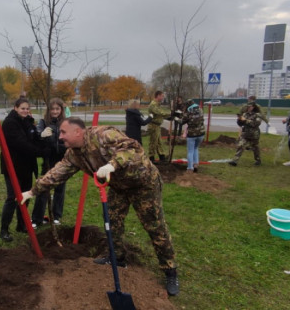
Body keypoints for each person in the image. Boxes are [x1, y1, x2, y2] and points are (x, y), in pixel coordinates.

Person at [20, 117, 180, 296]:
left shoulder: (104, 135)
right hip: (119, 187)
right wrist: (32, 192)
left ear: (77, 132)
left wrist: (112, 164)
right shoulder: (74, 154)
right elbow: (57, 173)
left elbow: (133, 149)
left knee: (154, 226)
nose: (60, 137)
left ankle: (170, 270)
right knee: (112, 222)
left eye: (64, 133)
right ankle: (117, 258)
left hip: (143, 183)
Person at [0, 97, 47, 242]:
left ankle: (21, 224)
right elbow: (22, 144)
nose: (25, 111)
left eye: (27, 108)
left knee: (25, 196)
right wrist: (40, 152)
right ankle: (4, 230)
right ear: (15, 108)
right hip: (13, 166)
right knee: (12, 198)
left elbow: (33, 138)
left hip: (27, 166)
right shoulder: (10, 123)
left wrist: (43, 139)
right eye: (22, 108)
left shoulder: (28, 121)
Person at [31, 98, 67, 227]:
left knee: (60, 189)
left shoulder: (65, 122)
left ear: (61, 110)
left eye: (57, 109)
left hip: (62, 160)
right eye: (52, 109)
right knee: (43, 187)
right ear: (49, 110)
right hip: (48, 159)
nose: (55, 111)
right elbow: (37, 134)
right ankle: (36, 218)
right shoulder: (43, 122)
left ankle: (56, 216)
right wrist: (42, 134)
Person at [228, 102, 262, 167]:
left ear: (254, 107)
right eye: (248, 106)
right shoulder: (245, 114)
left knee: (255, 148)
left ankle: (258, 160)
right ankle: (235, 160)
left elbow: (255, 124)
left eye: (250, 106)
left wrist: (245, 120)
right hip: (245, 134)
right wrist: (239, 120)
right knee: (240, 145)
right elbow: (241, 124)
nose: (249, 108)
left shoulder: (257, 115)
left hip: (254, 134)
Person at [147, 91, 172, 163]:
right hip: (153, 126)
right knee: (153, 142)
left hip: (157, 126)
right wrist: (171, 113)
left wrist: (169, 117)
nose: (163, 97)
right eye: (162, 96)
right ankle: (151, 157)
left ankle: (162, 157)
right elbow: (160, 112)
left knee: (159, 142)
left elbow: (160, 115)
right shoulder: (153, 105)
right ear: (157, 96)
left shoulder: (158, 104)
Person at [180, 99, 205, 173]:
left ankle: (190, 168)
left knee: (190, 151)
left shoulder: (189, 112)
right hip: (201, 133)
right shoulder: (200, 110)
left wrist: (176, 118)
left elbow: (182, 121)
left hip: (192, 134)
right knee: (196, 148)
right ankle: (196, 164)